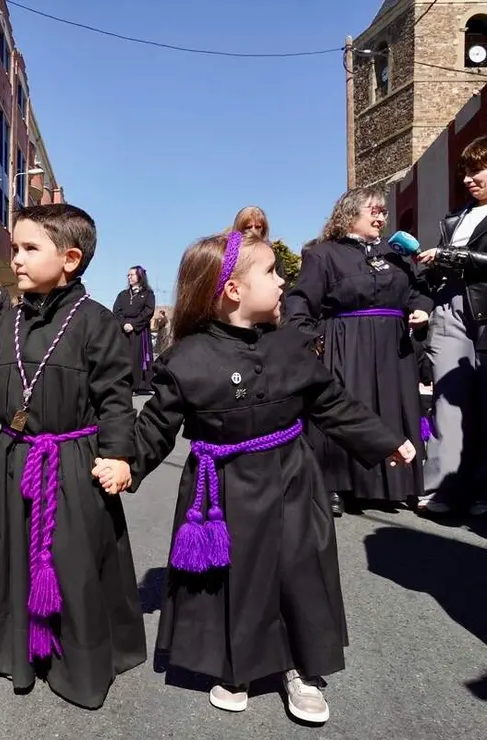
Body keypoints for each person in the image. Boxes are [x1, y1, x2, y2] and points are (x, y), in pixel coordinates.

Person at [131, 230, 415, 724]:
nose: (283, 282)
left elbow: (331, 403)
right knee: (237, 577)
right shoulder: (188, 359)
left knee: (298, 569)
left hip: (292, 481)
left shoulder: (291, 347)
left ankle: (298, 667)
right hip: (223, 489)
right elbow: (156, 424)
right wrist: (123, 463)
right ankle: (236, 665)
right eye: (270, 272)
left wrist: (382, 438)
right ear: (234, 291)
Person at [0, 203, 145, 710]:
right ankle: (9, 648)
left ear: (69, 258)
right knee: (3, 554)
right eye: (15, 249)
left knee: (70, 563)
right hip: (14, 459)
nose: (15, 259)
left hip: (72, 462)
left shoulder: (96, 322)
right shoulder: (11, 318)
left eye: (28, 249)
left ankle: (74, 659)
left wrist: (117, 455)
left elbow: (116, 397)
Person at [285, 186, 429, 515]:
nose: (382, 217)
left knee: (395, 410)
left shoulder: (395, 255)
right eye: (374, 211)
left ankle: (398, 483)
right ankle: (335, 485)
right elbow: (301, 301)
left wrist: (421, 308)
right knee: (346, 410)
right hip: (347, 345)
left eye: (383, 211)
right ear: (350, 214)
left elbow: (417, 290)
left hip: (394, 348)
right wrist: (310, 338)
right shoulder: (324, 254)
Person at [413, 134, 487, 515]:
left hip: (483, 309)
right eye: (466, 173)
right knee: (447, 400)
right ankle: (444, 487)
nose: (468, 180)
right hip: (450, 307)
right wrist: (425, 305)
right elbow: (435, 276)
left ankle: (480, 490)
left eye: (477, 171)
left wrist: (453, 256)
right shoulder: (453, 218)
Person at [113, 265, 156, 394]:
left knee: (137, 357)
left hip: (139, 330)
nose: (129, 277)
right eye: (128, 275)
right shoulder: (123, 294)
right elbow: (116, 311)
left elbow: (148, 311)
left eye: (132, 275)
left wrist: (134, 324)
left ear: (140, 276)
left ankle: (139, 385)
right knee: (123, 357)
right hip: (124, 330)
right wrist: (124, 324)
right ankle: (124, 384)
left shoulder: (148, 294)